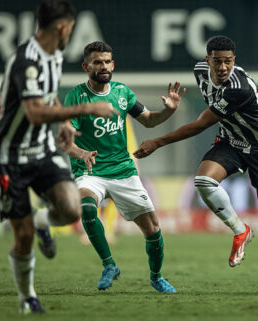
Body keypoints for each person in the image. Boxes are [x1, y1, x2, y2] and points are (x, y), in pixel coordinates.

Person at [133, 36, 258, 294]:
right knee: (204, 182)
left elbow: (200, 124)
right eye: (217, 61)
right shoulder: (199, 72)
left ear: (234, 61)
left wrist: (157, 142)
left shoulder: (238, 88)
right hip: (231, 140)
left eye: (228, 61)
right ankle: (241, 231)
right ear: (207, 61)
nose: (222, 67)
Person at [0, 0, 115, 314]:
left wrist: (61, 122)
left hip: (42, 149)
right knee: (22, 237)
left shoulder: (54, 56)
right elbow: (33, 112)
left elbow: (46, 98)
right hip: (9, 157)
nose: (71, 34)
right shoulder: (25, 61)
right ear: (62, 27)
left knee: (71, 210)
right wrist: (85, 108)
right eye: (70, 28)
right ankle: (27, 297)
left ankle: (40, 222)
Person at [63, 41, 183, 293]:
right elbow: (65, 140)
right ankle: (109, 265)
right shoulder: (75, 96)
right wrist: (81, 152)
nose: (103, 66)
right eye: (97, 62)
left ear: (113, 64)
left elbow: (149, 121)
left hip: (122, 170)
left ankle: (156, 277)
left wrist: (168, 111)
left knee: (152, 228)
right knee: (87, 209)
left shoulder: (122, 92)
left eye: (107, 61)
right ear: (86, 67)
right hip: (90, 170)